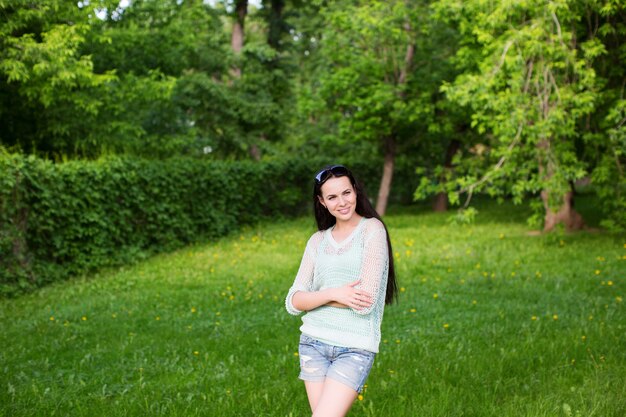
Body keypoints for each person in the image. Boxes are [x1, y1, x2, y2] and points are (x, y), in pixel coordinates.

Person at [285, 164, 398, 417]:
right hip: (312, 342)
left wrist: (314, 299)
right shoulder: (317, 241)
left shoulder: (372, 230)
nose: (342, 202)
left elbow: (364, 301)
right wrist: (333, 294)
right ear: (322, 202)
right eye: (332, 197)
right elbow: (293, 301)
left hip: (354, 346)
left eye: (346, 193)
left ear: (356, 191)